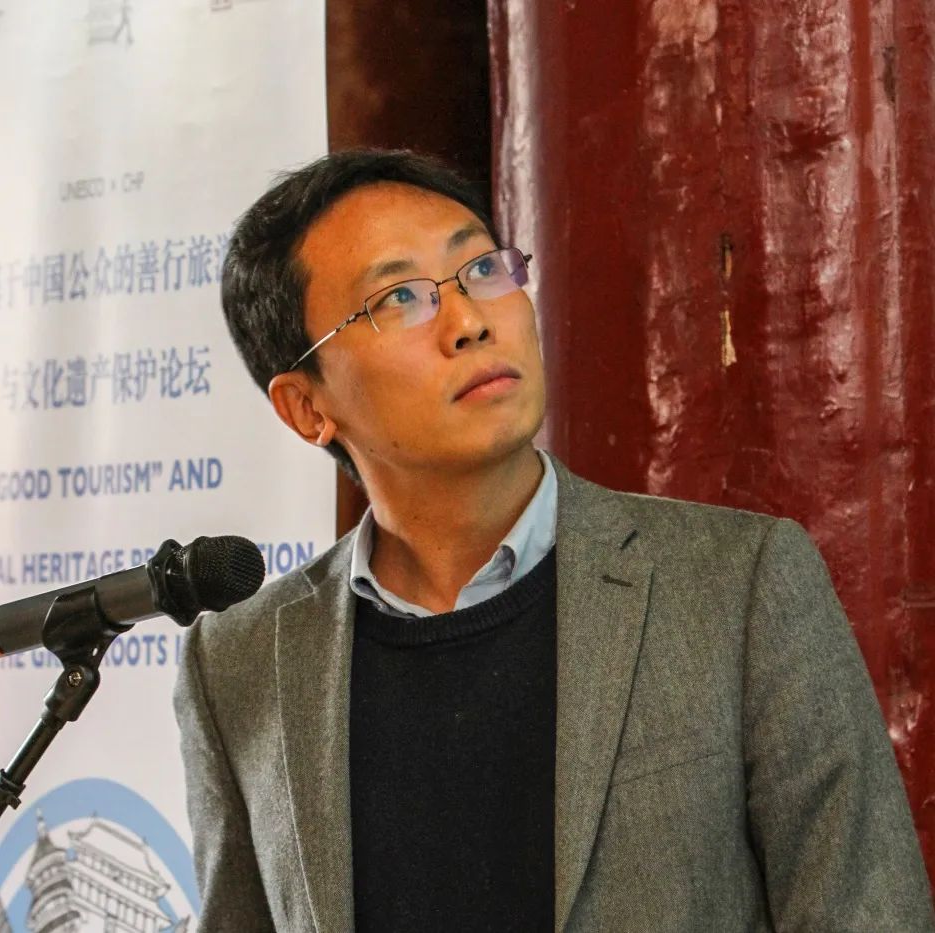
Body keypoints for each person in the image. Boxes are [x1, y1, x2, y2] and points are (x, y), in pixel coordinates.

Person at [174, 149, 934, 932]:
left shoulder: (736, 587)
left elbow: (868, 912)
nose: (470, 321)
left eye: (482, 269)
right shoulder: (239, 665)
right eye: (399, 296)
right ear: (306, 407)